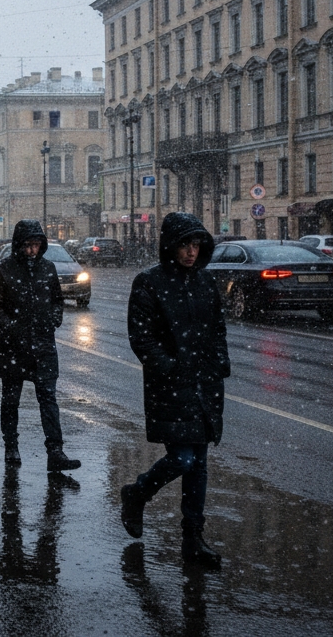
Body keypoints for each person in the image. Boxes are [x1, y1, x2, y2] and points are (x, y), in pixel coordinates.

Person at [119, 212, 228, 568]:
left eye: (197, 245)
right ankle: (137, 493)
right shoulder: (149, 282)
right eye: (185, 245)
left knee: (198, 466)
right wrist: (169, 368)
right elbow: (142, 338)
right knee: (183, 459)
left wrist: (218, 366)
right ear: (171, 245)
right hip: (171, 386)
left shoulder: (205, 282)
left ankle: (193, 540)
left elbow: (217, 331)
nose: (192, 252)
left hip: (204, 385)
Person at [0, 219, 80, 472]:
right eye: (27, 246)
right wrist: (11, 327)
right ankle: (11, 445)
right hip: (13, 346)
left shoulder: (47, 268)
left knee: (48, 399)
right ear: (18, 245)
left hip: (44, 344)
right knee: (11, 399)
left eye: (36, 245)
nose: (31, 251)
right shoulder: (1, 269)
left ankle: (55, 451)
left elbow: (58, 300)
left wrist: (55, 318)